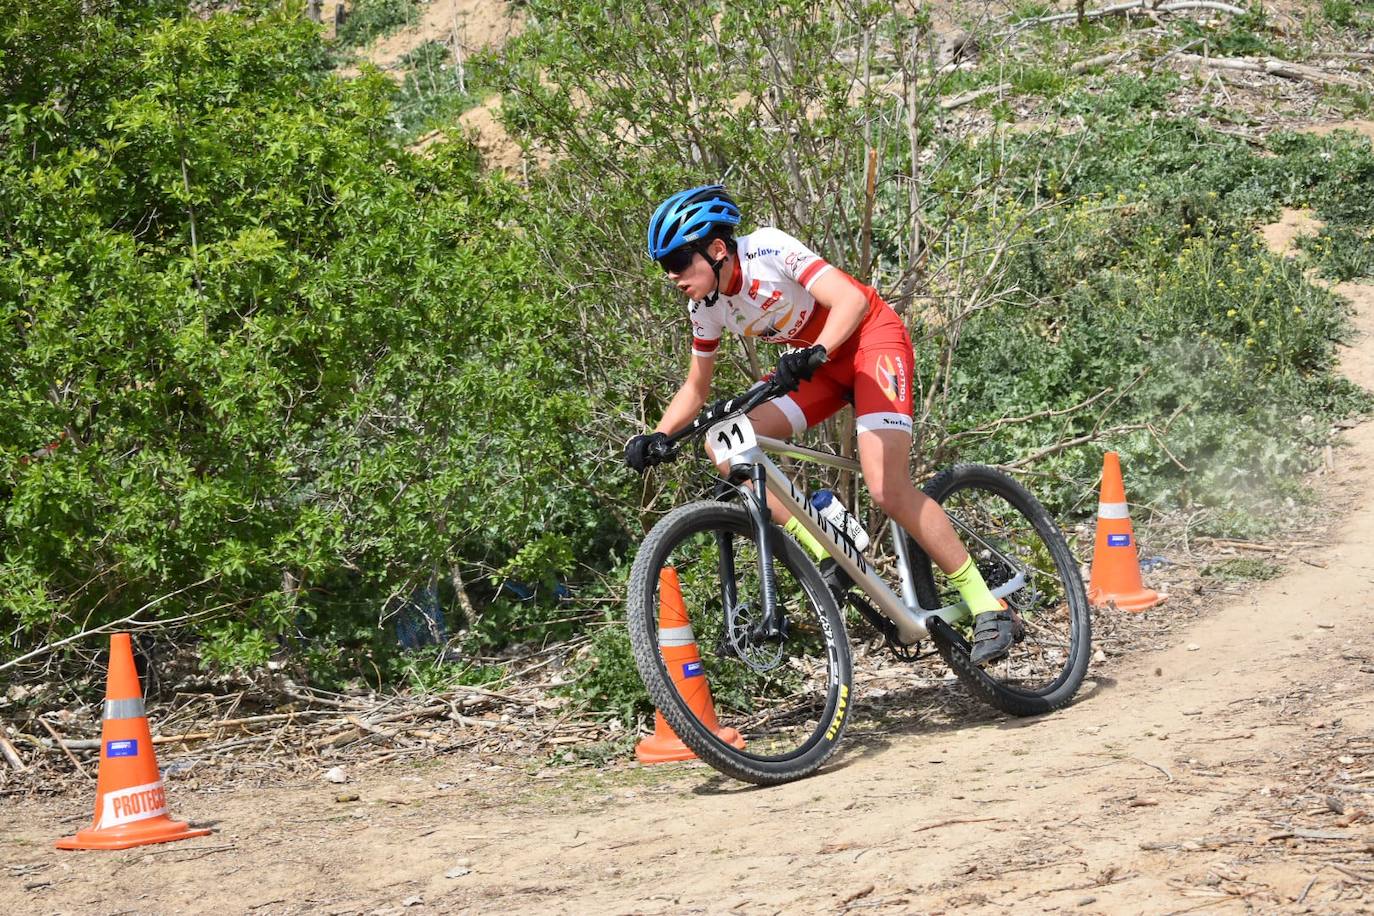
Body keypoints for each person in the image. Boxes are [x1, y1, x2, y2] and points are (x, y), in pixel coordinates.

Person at [624, 184, 1014, 665]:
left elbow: (849, 300)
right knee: (726, 445)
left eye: (679, 262)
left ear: (717, 249)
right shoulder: (705, 306)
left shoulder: (768, 248)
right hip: (816, 366)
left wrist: (816, 352)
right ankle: (830, 550)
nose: (672, 276)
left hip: (870, 340)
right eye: (665, 266)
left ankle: (986, 603)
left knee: (885, 488)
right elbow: (695, 388)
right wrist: (658, 435)